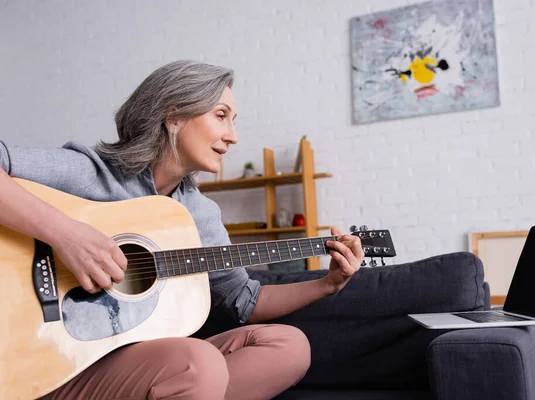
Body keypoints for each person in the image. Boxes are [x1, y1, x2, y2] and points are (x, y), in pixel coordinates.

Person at [0, 60, 364, 400]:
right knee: (198, 364)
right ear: (173, 116)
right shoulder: (92, 174)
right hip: (48, 361)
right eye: (221, 116)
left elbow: (245, 301)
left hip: (134, 364)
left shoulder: (199, 214)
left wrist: (327, 284)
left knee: (289, 346)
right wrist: (65, 235)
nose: (233, 136)